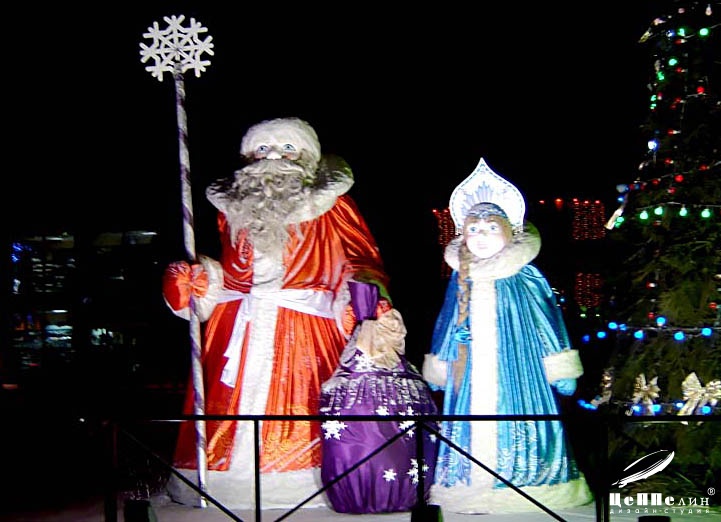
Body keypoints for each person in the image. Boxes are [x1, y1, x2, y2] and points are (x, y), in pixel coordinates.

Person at [161, 117, 392, 509]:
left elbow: (359, 257)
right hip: (238, 326)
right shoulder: (231, 210)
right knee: (226, 409)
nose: (273, 158)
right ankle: (218, 479)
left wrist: (364, 297)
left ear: (307, 157)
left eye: (287, 149)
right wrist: (201, 280)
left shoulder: (333, 204)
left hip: (306, 328)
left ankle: (304, 480)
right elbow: (232, 270)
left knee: (307, 406)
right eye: (263, 149)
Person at [422, 158, 593, 514]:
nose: (482, 236)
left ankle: (527, 482)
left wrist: (559, 365)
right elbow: (446, 323)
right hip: (468, 374)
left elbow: (547, 321)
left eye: (491, 228)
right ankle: (468, 485)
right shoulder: (460, 277)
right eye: (474, 229)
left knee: (518, 418)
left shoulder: (525, 275)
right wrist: (440, 363)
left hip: (520, 372)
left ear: (509, 231)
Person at [319, 307, 439, 514]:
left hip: (372, 353)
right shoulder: (352, 386)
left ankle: (386, 492)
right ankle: (374, 491)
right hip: (365, 352)